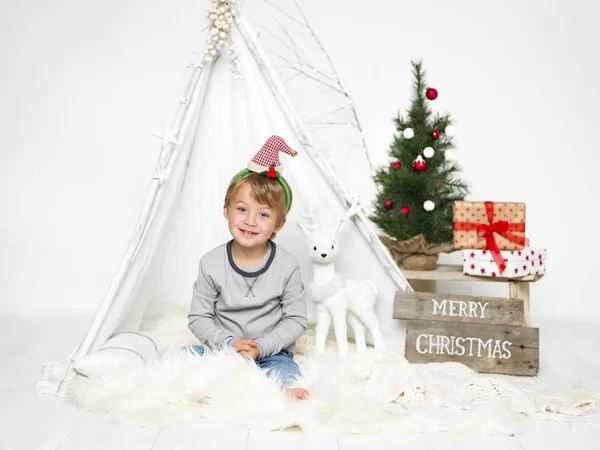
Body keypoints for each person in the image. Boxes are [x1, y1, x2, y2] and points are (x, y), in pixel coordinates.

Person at [186, 135, 309, 401]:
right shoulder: (211, 263)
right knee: (186, 358)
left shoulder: (287, 265)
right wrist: (228, 344)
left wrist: (262, 348)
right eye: (242, 209)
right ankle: (219, 386)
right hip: (223, 349)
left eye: (263, 214)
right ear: (226, 211)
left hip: (271, 352)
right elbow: (199, 317)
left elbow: (296, 319)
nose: (250, 220)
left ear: (279, 224)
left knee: (286, 372)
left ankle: (279, 394)